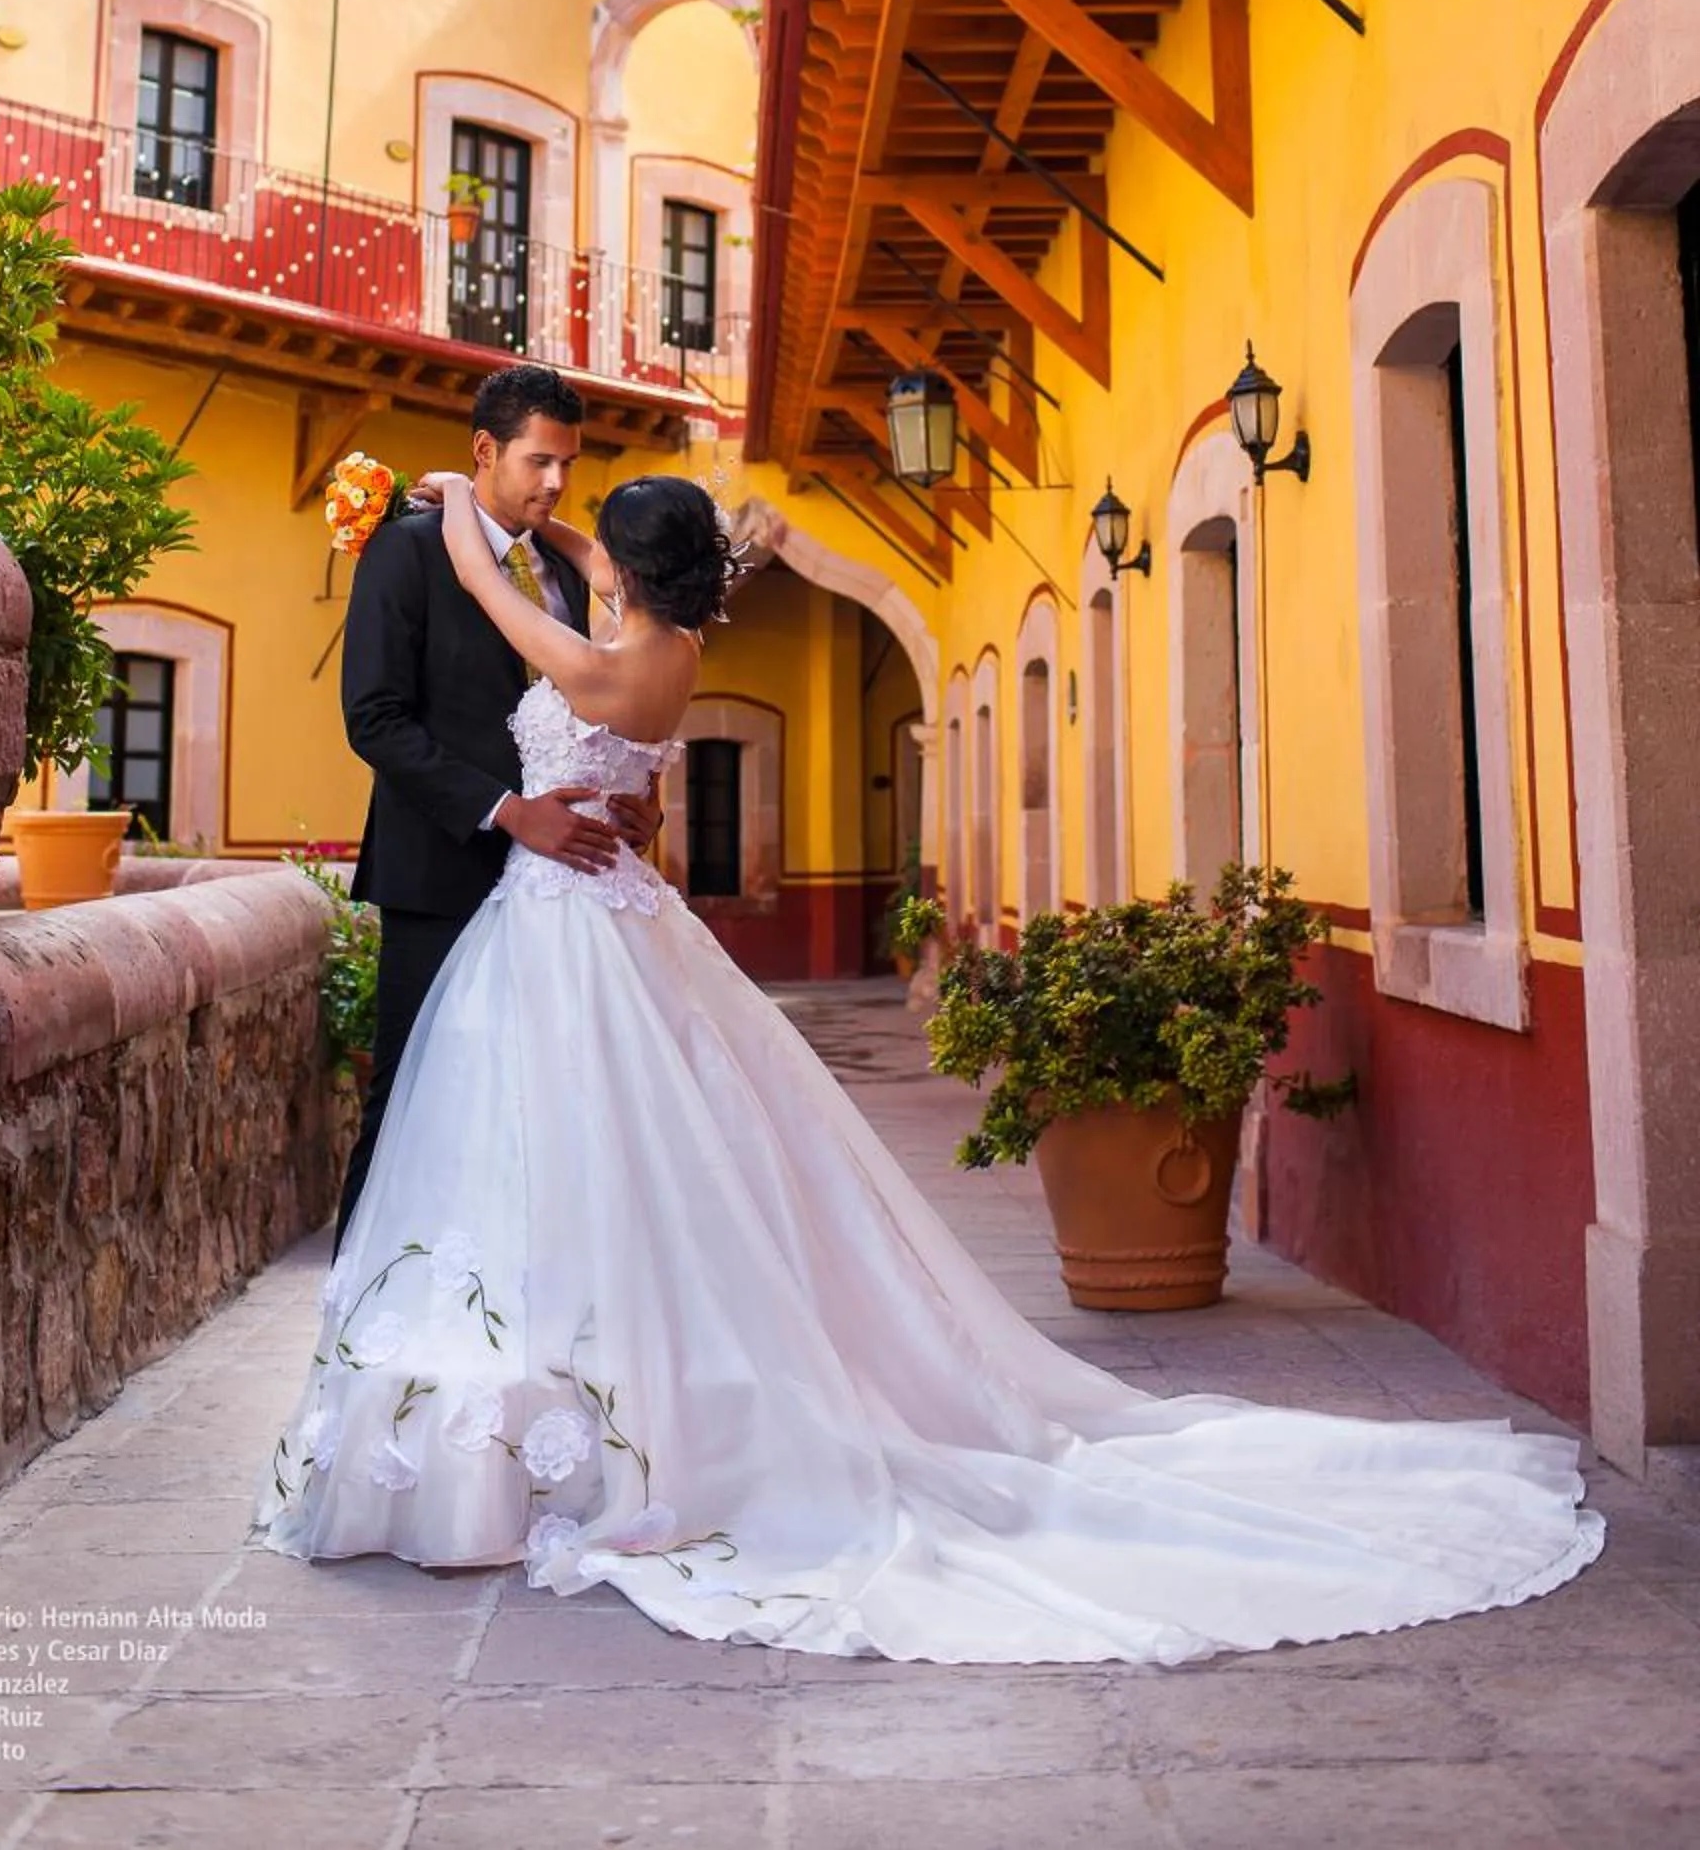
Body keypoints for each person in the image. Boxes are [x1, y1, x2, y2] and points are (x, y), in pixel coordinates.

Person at [260, 471, 1602, 1666]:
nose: (590, 555)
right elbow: (646, 793)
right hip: (596, 919)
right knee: (622, 1166)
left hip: (570, 933)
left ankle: (603, 1416)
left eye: (602, 542)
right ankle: (584, 1397)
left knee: (593, 1160)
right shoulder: (661, 657)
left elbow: (506, 614)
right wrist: (616, 792)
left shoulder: (623, 660)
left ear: (628, 564)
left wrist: (456, 515)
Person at [328, 364, 661, 1250]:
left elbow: (604, 707)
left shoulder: (563, 563)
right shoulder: (404, 549)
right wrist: (510, 812)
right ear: (485, 450)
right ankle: (349, 1338)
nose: (556, 482)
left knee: (538, 1114)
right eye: (539, 461)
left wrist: (636, 802)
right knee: (406, 1103)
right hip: (442, 873)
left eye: (569, 465)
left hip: (563, 899)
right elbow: (374, 718)